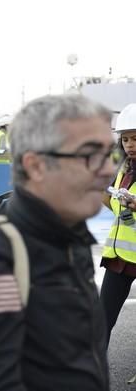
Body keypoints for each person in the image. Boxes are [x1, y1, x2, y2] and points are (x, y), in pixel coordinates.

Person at [0, 94, 113, 391]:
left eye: (111, 155)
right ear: (36, 166)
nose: (109, 170)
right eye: (90, 155)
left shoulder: (71, 238)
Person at [100, 102, 136, 344]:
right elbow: (112, 205)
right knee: (101, 321)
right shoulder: (123, 170)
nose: (130, 145)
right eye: (125, 140)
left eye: (135, 138)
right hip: (120, 258)